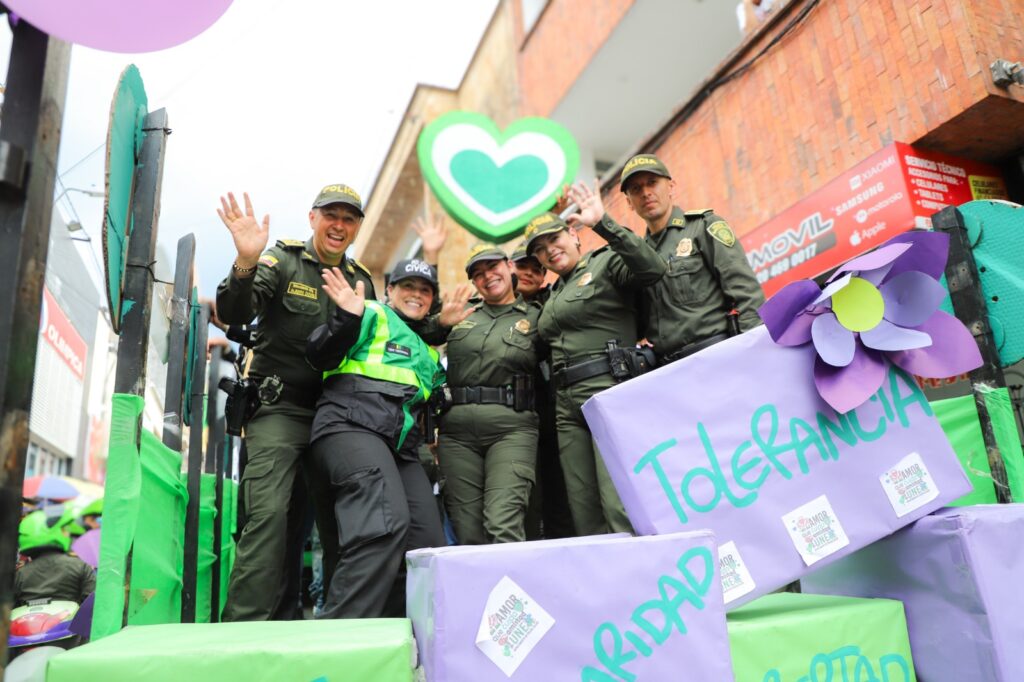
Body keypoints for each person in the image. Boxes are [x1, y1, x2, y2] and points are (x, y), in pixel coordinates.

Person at [215, 184, 374, 621]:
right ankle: (244, 632)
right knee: (268, 519)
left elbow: (370, 349)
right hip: (278, 408)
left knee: (341, 525)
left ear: (358, 226)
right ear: (313, 218)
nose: (339, 225)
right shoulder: (282, 259)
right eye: (331, 215)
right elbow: (235, 311)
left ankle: (339, 627)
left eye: (349, 218)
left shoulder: (362, 281)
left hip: (336, 417)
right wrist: (246, 261)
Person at [306, 259, 473, 618]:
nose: (416, 294)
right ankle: (342, 641)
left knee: (425, 544)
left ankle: (397, 634)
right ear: (389, 291)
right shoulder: (370, 312)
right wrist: (346, 318)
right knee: (383, 524)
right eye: (407, 287)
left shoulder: (428, 351)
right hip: (350, 427)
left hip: (400, 448)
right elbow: (320, 353)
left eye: (425, 290)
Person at [526, 181, 666, 536]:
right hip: (566, 402)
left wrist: (603, 223)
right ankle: (610, 587)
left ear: (574, 235)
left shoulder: (605, 263)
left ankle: (643, 584)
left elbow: (652, 268)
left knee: (616, 498)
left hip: (607, 385)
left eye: (554, 240)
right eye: (540, 250)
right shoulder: (554, 293)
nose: (549, 251)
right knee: (582, 505)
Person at [437, 245, 543, 544]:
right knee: (467, 533)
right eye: (478, 274)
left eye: (492, 268)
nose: (487, 277)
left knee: (503, 524)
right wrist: (441, 323)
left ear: (510, 267)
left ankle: (512, 592)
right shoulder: (462, 312)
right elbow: (421, 333)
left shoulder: (536, 316)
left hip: (511, 429)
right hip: (456, 435)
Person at [619, 154, 764, 363]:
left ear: (671, 186)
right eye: (636, 189)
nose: (646, 193)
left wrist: (754, 346)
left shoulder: (702, 226)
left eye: (652, 182)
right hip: (669, 369)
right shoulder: (637, 257)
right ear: (629, 203)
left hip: (717, 355)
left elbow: (746, 291)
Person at [510, 242, 575, 540]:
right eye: (521, 266)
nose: (528, 273)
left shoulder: (556, 301)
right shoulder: (488, 306)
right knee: (525, 499)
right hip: (512, 417)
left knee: (561, 494)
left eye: (536, 268)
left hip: (554, 410)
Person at [15, 510, 95, 606]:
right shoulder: (80, 566)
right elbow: (93, 603)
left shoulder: (20, 575)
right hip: (72, 620)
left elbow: (8, 610)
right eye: (63, 530)